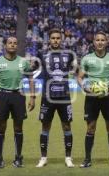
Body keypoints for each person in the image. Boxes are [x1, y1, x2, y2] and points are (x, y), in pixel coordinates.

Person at [0, 36, 35, 169]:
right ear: (5, 45)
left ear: (17, 46)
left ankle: (18, 157)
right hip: (2, 96)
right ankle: (0, 158)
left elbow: (31, 78)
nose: (12, 45)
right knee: (1, 128)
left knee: (18, 128)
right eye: (10, 43)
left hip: (18, 96)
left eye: (15, 43)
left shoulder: (23, 62)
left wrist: (32, 97)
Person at [77, 31, 109, 168]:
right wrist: (85, 87)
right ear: (94, 42)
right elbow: (79, 78)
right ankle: (87, 159)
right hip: (91, 98)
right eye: (97, 40)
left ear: (107, 42)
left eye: (102, 40)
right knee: (90, 128)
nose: (100, 42)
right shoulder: (86, 58)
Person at [34, 28, 77, 168]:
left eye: (58, 38)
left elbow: (77, 70)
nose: (56, 40)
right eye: (53, 38)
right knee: (45, 126)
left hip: (64, 97)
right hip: (48, 97)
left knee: (66, 126)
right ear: (49, 40)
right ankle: (43, 157)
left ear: (61, 39)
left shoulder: (69, 54)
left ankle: (68, 157)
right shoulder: (42, 54)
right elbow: (31, 71)